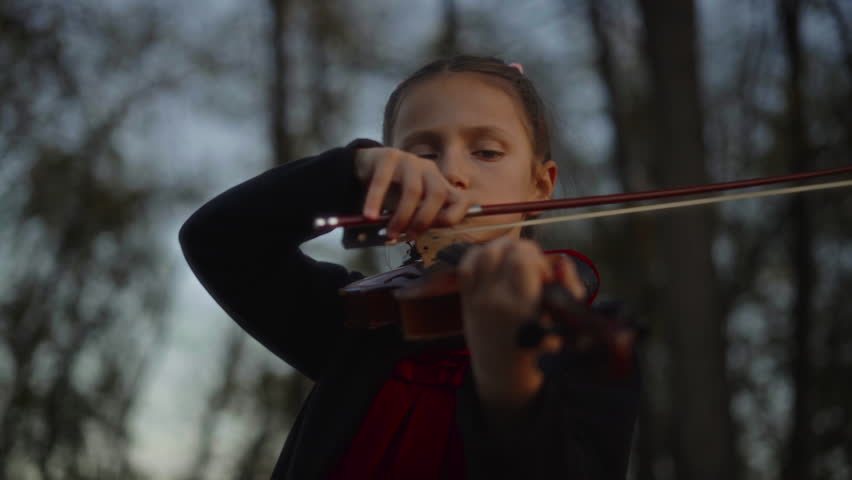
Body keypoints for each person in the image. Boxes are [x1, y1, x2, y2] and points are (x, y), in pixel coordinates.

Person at [179, 55, 639, 479]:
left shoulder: (587, 343)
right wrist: (352, 172)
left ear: (541, 184)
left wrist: (509, 380)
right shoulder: (364, 321)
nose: (452, 173)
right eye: (422, 155)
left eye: (486, 152)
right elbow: (219, 240)